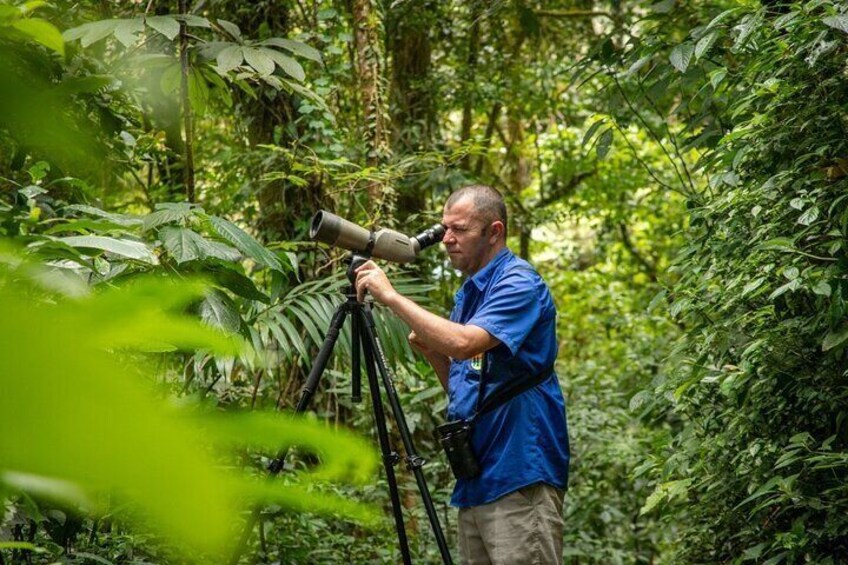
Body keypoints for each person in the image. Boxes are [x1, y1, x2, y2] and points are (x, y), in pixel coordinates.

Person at [354, 185, 569, 565]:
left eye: (460, 229)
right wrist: (433, 350)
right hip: (477, 479)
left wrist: (391, 297)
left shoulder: (518, 283)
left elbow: (466, 343)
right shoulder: (470, 293)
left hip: (519, 473)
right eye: (443, 229)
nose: (447, 239)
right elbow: (464, 387)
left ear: (494, 232)